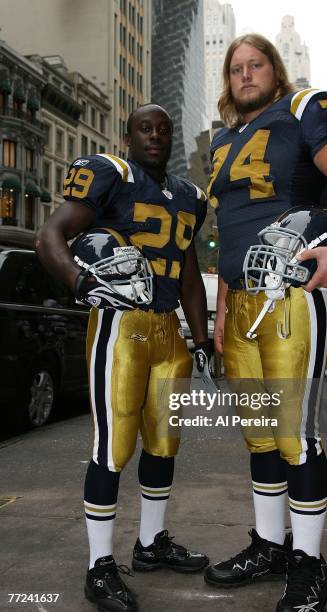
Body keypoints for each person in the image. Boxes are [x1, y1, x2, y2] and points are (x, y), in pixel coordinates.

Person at [204, 33, 327, 612]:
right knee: (260, 436)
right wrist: (224, 312)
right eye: (236, 68)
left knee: (295, 435)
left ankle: (308, 562)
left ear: (275, 70)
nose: (245, 73)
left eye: (256, 63)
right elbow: (233, 233)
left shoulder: (303, 110)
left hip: (288, 296)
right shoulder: (224, 140)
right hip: (242, 305)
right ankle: (270, 544)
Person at [35, 104, 211, 612]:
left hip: (169, 333)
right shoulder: (111, 176)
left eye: (163, 129)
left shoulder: (188, 196)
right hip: (121, 326)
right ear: (127, 134)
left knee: (163, 445)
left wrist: (201, 339)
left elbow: (189, 272)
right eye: (144, 128)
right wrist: (80, 281)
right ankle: (98, 565)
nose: (154, 135)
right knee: (111, 448)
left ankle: (151, 545)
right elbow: (50, 236)